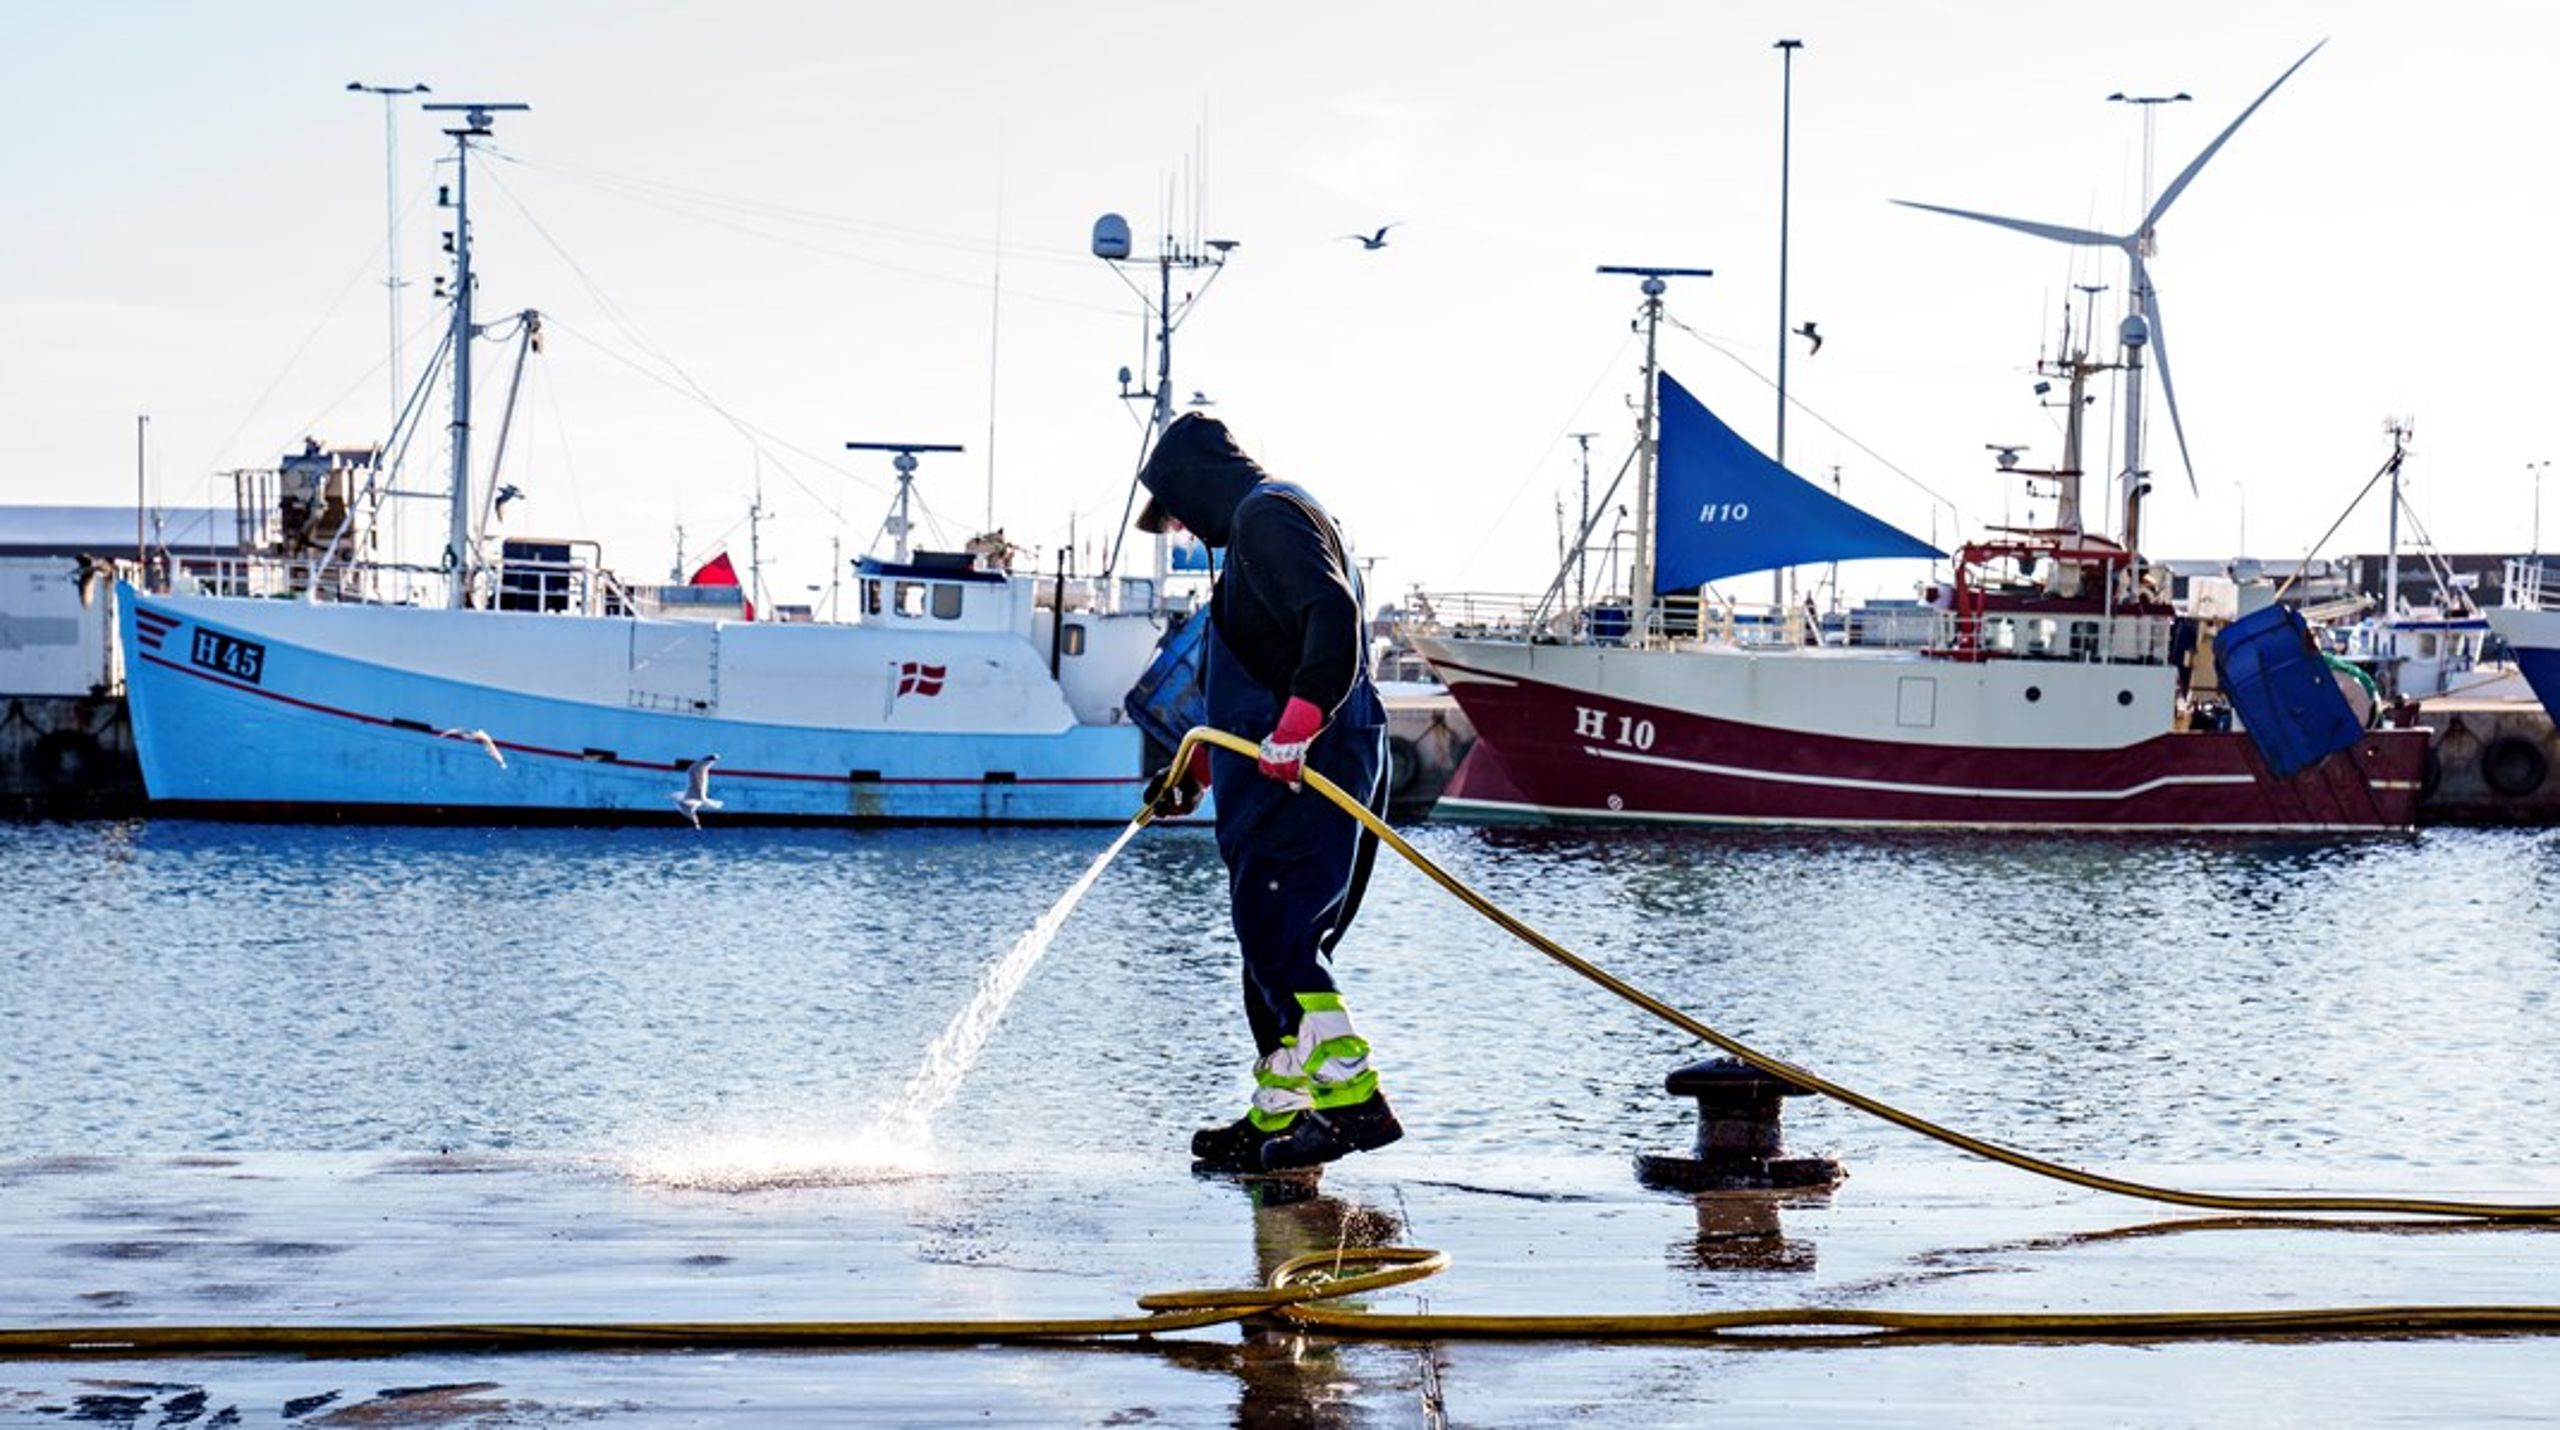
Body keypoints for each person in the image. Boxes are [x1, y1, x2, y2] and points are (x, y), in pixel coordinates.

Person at [1134, 413, 1400, 1174]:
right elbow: (1249, 678)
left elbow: (1332, 618)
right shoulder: (1254, 535)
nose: (1180, 525)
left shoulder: (1268, 517)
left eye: (1176, 507)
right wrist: (1193, 773)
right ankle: (1283, 1113)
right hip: (1273, 763)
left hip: (1311, 763)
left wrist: (1300, 721)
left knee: (1281, 932)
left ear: (1198, 481)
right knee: (1268, 942)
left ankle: (1352, 1101)